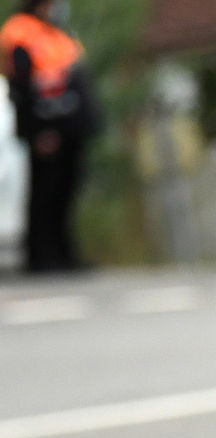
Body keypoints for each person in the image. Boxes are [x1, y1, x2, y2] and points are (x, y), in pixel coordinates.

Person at [0, 0, 99, 274]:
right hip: (46, 130)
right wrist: (37, 130)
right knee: (45, 195)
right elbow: (21, 88)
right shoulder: (20, 32)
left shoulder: (55, 32)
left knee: (64, 195)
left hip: (68, 128)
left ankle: (64, 255)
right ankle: (42, 258)